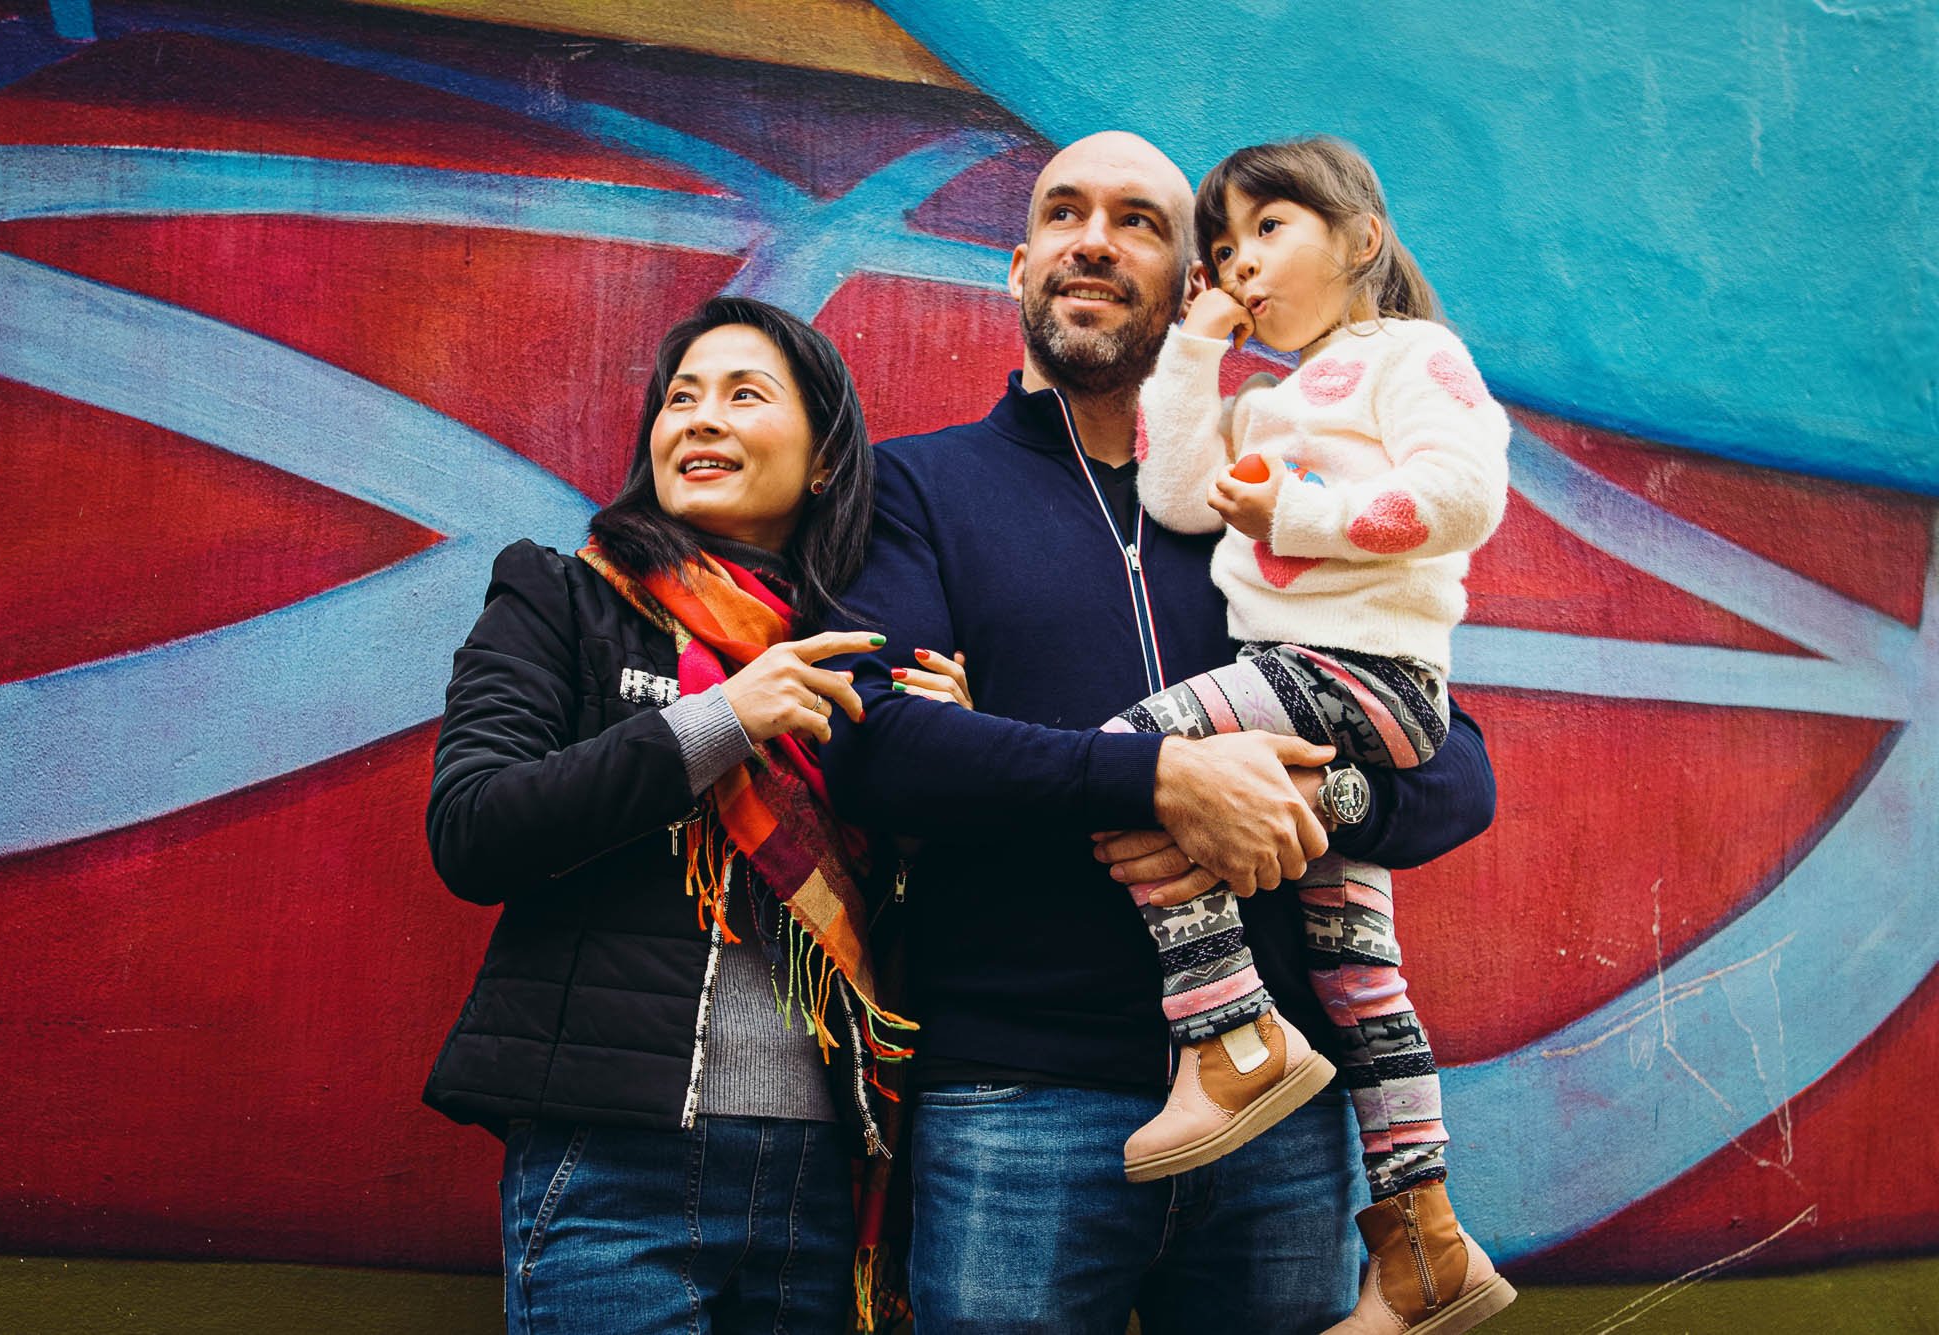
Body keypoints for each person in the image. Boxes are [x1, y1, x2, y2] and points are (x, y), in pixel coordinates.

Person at [818, 131, 1497, 1335]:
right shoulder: (912, 487)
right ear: (1016, 266)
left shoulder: (1267, 495)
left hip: (1285, 1125)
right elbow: (883, 750)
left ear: (1199, 282)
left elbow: (1450, 770)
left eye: (1136, 219)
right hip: (1015, 1101)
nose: (1092, 238)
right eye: (1062, 214)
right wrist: (1163, 779)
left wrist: (1303, 808)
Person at [420, 295, 966, 1335]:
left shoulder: (867, 653)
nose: (700, 419)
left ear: (822, 460)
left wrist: (952, 767)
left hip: (824, 1176)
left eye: (743, 395)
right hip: (613, 1169)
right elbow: (473, 828)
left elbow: (915, 920)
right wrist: (719, 719)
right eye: (680, 399)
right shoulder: (561, 599)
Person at [1106, 136, 1514, 1334]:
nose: (1239, 263)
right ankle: (1421, 1241)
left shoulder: (1405, 355)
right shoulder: (1270, 395)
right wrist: (1193, 347)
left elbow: (1460, 496)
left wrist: (1297, 511)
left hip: (1365, 676)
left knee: (1136, 756)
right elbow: (1175, 495)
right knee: (1354, 971)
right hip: (1307, 687)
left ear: (1361, 240)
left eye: (1267, 230)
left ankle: (1228, 1031)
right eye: (1220, 248)